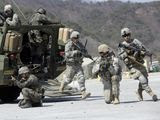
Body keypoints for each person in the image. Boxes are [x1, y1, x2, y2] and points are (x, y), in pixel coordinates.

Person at [118, 27, 158, 101]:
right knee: (143, 80)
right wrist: (128, 53)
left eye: (128, 34)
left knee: (145, 79)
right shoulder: (122, 45)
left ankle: (139, 91)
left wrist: (145, 53)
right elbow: (120, 56)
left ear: (130, 34)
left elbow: (143, 49)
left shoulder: (136, 41)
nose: (127, 37)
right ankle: (152, 94)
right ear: (122, 37)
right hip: (132, 66)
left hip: (140, 63)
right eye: (124, 36)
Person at [59, 31, 91, 99]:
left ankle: (83, 92)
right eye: (75, 38)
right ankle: (62, 86)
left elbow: (84, 51)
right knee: (68, 80)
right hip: (71, 65)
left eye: (77, 38)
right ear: (72, 38)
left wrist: (86, 54)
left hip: (78, 63)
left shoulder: (80, 44)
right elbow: (67, 54)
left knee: (81, 77)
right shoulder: (68, 44)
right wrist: (75, 52)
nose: (77, 39)